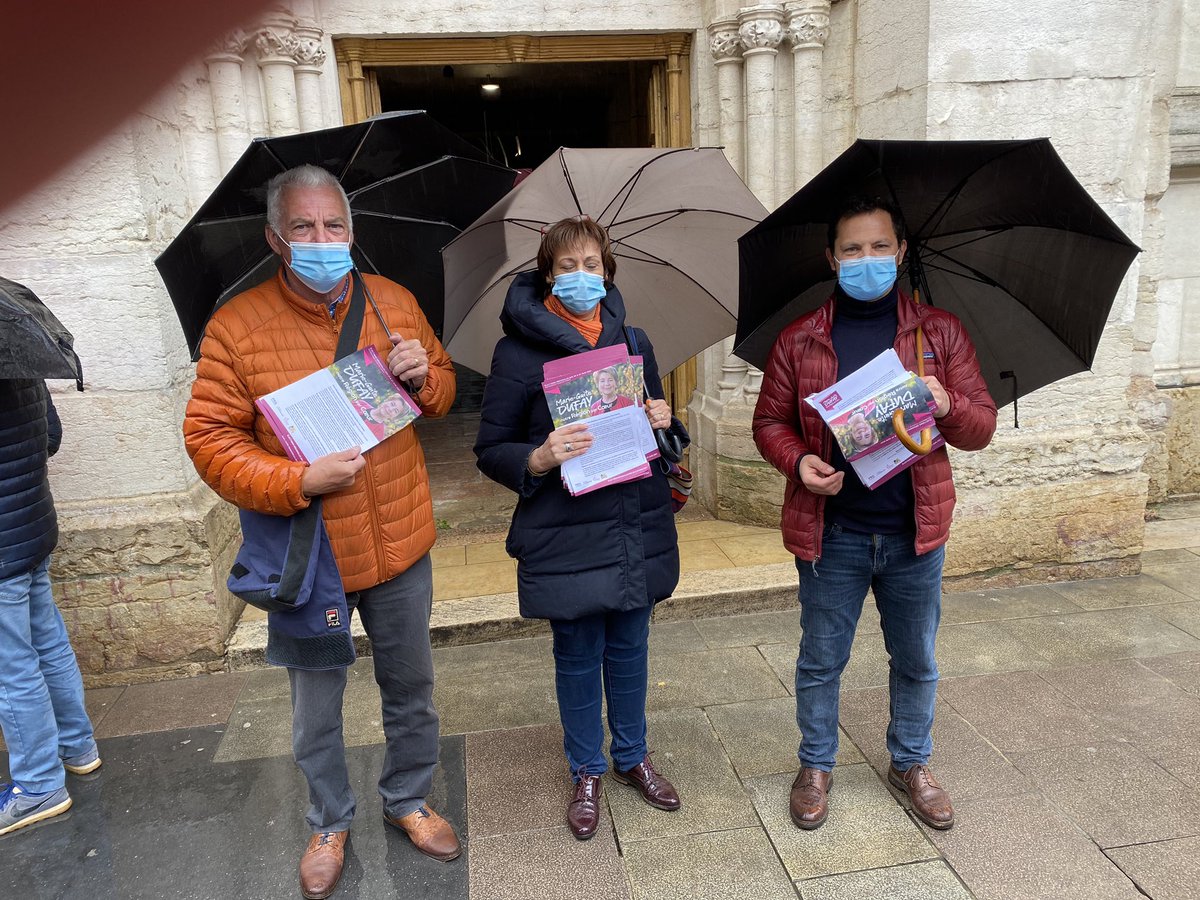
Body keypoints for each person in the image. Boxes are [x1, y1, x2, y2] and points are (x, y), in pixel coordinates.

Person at [184, 164, 459, 899]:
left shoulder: (394, 302)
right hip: (311, 557)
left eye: (333, 226)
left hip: (399, 543)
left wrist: (421, 376)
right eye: (303, 228)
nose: (321, 240)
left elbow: (442, 393)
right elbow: (210, 441)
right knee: (316, 708)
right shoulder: (236, 327)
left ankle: (408, 799)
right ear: (277, 238)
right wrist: (295, 481)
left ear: (351, 231)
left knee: (412, 687)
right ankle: (329, 821)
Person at [752, 196, 997, 832]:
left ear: (901, 252)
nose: (868, 260)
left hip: (914, 530)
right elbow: (769, 422)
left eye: (880, 247)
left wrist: (946, 404)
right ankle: (815, 765)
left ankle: (910, 762)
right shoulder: (802, 338)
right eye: (853, 250)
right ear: (832, 258)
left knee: (916, 657)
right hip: (833, 531)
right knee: (821, 657)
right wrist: (798, 462)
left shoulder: (937, 334)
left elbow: (981, 427)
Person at [474, 217, 685, 841]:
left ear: (608, 273)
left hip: (631, 524)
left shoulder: (636, 344)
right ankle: (586, 769)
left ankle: (632, 756)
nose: (581, 276)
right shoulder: (516, 353)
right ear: (546, 275)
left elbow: (667, 445)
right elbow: (491, 447)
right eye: (567, 266)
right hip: (565, 530)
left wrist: (664, 419)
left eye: (592, 264)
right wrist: (536, 458)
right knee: (576, 655)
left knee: (630, 650)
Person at [0, 380, 102, 837]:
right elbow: (51, 437)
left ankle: (39, 784)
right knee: (47, 641)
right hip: (31, 527)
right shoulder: (17, 349)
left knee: (12, 668)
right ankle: (78, 748)